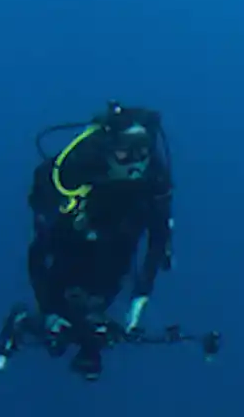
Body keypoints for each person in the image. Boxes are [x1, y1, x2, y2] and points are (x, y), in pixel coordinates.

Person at [14, 101, 174, 380]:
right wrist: (48, 309)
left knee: (101, 298)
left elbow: (159, 238)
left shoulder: (154, 177)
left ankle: (87, 340)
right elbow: (39, 249)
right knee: (63, 306)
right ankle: (32, 323)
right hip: (71, 242)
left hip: (118, 247)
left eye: (142, 153)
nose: (135, 164)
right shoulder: (77, 170)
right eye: (125, 154)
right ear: (108, 151)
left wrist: (140, 297)